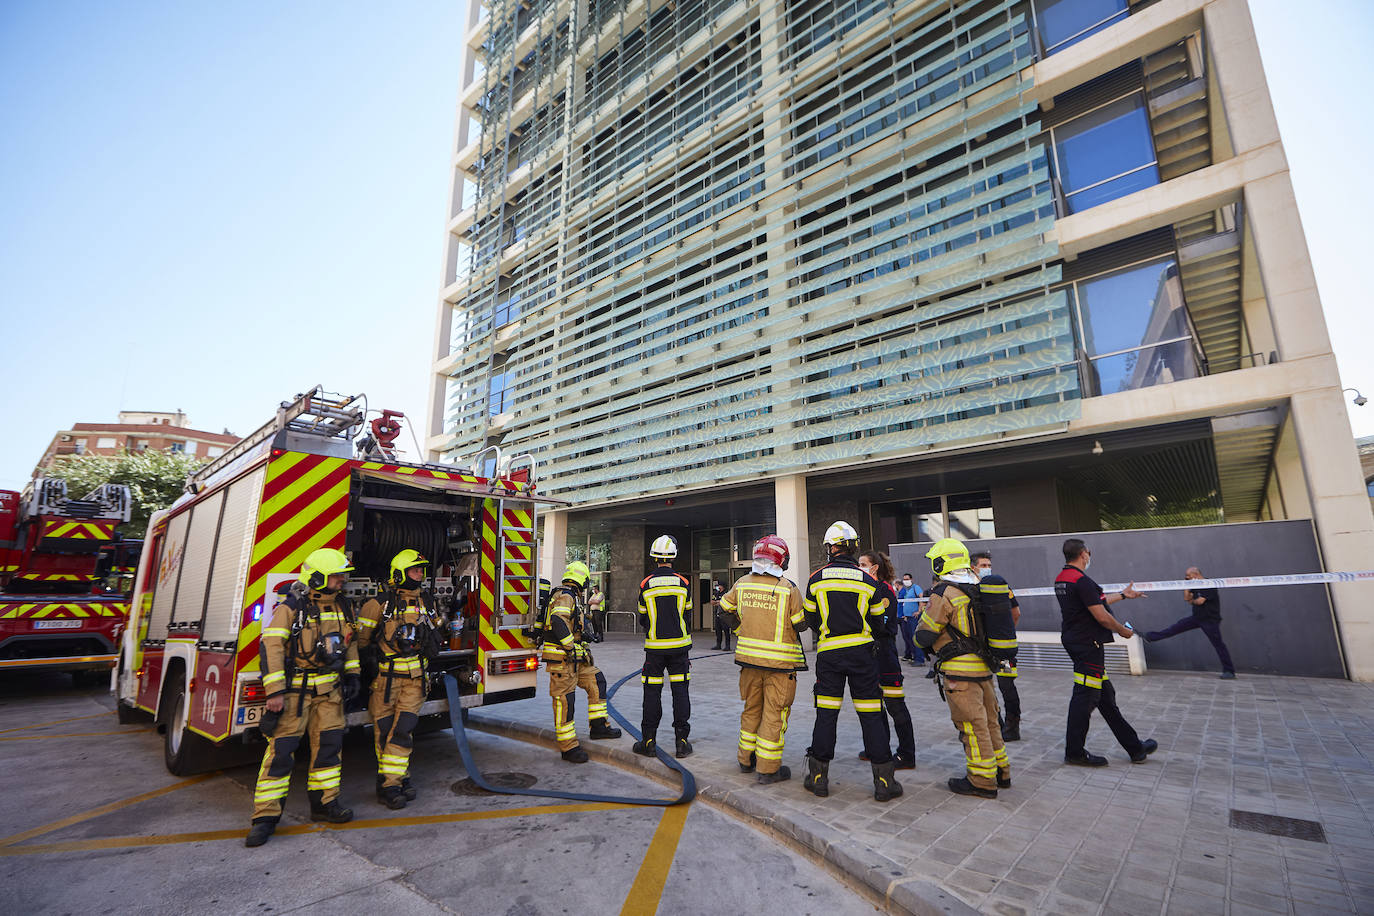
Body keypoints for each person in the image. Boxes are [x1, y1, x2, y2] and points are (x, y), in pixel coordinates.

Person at [246, 548, 361, 847]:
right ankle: (264, 818)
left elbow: (349, 645)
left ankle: (325, 804)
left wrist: (352, 675)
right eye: (336, 576)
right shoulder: (291, 607)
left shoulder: (343, 606)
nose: (341, 581)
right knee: (281, 753)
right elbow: (271, 648)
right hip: (296, 693)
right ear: (319, 577)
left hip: (330, 693)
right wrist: (275, 692)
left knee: (329, 750)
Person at [802, 521, 901, 803]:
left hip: (830, 655)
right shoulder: (868, 580)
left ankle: (818, 778)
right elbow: (879, 622)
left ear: (830, 548)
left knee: (826, 714)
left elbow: (811, 620)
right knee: (871, 715)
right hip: (862, 655)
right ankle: (884, 781)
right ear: (854, 547)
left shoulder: (816, 578)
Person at [914, 538, 1008, 799]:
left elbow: (925, 634)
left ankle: (981, 780)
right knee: (991, 723)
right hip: (984, 669)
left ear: (941, 562)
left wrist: (919, 636)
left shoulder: (945, 592)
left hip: (959, 672)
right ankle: (1002, 770)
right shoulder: (978, 587)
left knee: (971, 725)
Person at [1055, 538, 1157, 767]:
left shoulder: (1064, 578)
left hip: (1078, 642)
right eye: (1088, 553)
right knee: (1085, 696)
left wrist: (1122, 595)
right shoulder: (1081, 581)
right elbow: (1100, 615)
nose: (1089, 556)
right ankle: (1074, 752)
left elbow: (1093, 603)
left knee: (1105, 698)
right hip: (1087, 645)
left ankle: (1135, 748)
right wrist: (1123, 631)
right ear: (1083, 554)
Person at [356, 549, 445, 810]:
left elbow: (435, 633)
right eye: (415, 569)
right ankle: (395, 779)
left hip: (415, 681)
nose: (420, 574)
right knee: (384, 733)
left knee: (402, 730)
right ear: (399, 573)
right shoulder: (378, 605)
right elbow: (362, 642)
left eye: (421, 570)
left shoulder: (427, 602)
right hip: (385, 681)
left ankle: (391, 785)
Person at [718, 535, 808, 784]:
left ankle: (745, 760)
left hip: (748, 661)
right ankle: (768, 769)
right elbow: (800, 625)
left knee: (751, 709)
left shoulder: (742, 583)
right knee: (774, 714)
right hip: (780, 666)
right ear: (781, 559)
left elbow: (723, 611)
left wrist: (740, 629)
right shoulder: (788, 588)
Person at [542, 561, 621, 763]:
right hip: (562, 660)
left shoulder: (572, 596)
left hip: (576, 659)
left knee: (597, 680)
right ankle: (568, 747)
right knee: (566, 701)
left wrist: (583, 637)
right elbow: (558, 621)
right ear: (582, 580)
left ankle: (598, 727)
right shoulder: (565, 596)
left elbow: (569, 624)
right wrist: (571, 646)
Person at [633, 535, 694, 759]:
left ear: (654, 557)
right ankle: (682, 742)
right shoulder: (684, 583)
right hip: (680, 649)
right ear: (673, 557)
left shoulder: (645, 584)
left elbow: (642, 617)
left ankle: (648, 741)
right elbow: (687, 613)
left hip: (655, 649)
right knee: (680, 693)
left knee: (651, 693)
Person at [857, 551, 916, 770]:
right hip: (870, 655)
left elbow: (879, 623)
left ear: (875, 568)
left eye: (863, 564)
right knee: (874, 706)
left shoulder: (883, 590)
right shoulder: (867, 589)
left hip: (885, 655)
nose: (859, 567)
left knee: (895, 706)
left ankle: (906, 754)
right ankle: (877, 748)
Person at [1142, 567, 1236, 678]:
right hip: (1197, 618)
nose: (1186, 577)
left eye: (1188, 575)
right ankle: (1150, 637)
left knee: (1218, 645)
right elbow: (1187, 598)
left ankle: (1229, 671)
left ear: (1195, 574)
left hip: (1210, 620)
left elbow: (1200, 601)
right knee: (1175, 628)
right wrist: (1186, 585)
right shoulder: (1194, 585)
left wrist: (1193, 600)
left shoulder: (1209, 584)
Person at [972, 551, 1022, 742]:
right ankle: (1005, 725)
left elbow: (1015, 612)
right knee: (993, 686)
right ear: (973, 567)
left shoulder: (995, 587)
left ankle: (1009, 725)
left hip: (996, 649)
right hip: (996, 648)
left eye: (988, 565)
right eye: (983, 565)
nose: (987, 568)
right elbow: (1015, 613)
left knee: (1005, 685)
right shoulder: (994, 587)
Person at [897, 572, 925, 664]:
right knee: (909, 638)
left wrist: (919, 611)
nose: (905, 581)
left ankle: (919, 659)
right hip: (907, 617)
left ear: (911, 579)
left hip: (914, 617)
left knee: (915, 637)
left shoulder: (915, 588)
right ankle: (914, 657)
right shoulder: (907, 590)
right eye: (904, 579)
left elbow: (922, 599)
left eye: (907, 579)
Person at [711, 579, 731, 651]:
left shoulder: (726, 594)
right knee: (718, 630)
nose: (718, 587)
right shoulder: (716, 593)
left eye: (719, 585)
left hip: (724, 615)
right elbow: (712, 602)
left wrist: (719, 602)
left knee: (726, 630)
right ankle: (718, 645)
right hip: (717, 614)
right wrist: (718, 602)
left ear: (722, 586)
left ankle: (727, 646)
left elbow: (725, 602)